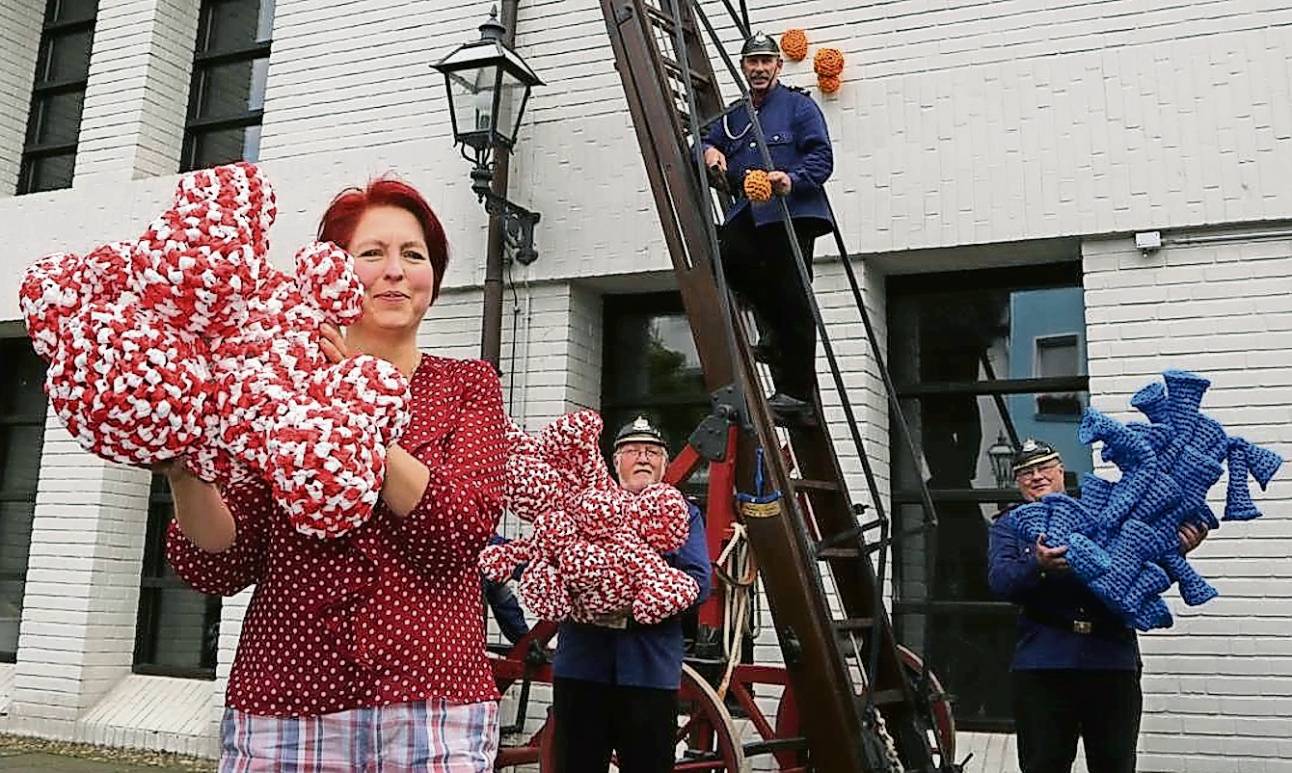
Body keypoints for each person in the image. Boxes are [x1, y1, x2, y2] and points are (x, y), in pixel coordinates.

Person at [162, 178, 508, 771]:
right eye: (372, 253)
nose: (394, 271)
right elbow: (223, 560)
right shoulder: (278, 385)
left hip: (430, 702)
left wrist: (357, 401)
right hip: (284, 701)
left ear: (434, 278)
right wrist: (182, 466)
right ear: (331, 273)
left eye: (414, 255)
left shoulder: (466, 387)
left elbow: (462, 525)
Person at [988, 439, 1208, 773]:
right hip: (1045, 663)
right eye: (1026, 472)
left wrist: (1176, 548)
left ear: (1061, 471)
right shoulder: (1009, 525)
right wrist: (1037, 564)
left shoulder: (1103, 510)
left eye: (1044, 467)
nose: (1036, 476)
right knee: (1042, 764)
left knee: (1114, 764)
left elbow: (1141, 569)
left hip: (1110, 659)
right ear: (1017, 482)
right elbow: (1001, 581)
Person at [550, 416, 712, 772]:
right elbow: (545, 558)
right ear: (615, 461)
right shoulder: (580, 508)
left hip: (648, 670)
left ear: (665, 464)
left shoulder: (683, 512)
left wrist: (630, 600)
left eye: (653, 452)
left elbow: (699, 580)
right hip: (582, 667)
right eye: (633, 450)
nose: (643, 458)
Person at [701, 31, 834, 423]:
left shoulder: (799, 106)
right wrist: (709, 153)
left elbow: (822, 156)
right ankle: (774, 335)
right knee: (727, 257)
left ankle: (797, 395)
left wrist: (790, 179)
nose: (759, 69)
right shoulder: (735, 115)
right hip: (750, 213)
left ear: (777, 64)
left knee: (794, 298)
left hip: (791, 211)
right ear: (744, 67)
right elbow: (705, 140)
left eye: (765, 62)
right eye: (751, 62)